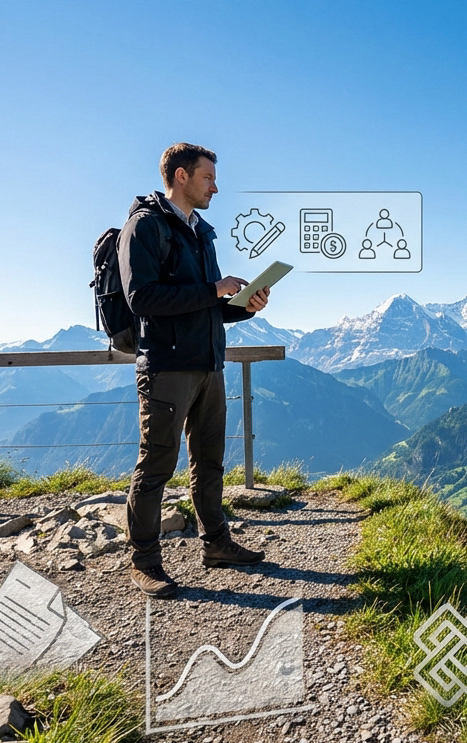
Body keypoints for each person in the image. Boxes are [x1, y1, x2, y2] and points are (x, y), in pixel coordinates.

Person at [117, 142, 272, 598]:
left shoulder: (201, 231)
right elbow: (141, 299)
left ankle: (217, 544)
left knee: (210, 462)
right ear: (181, 176)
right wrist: (212, 289)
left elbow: (208, 308)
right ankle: (143, 562)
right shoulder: (144, 227)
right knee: (157, 464)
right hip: (166, 367)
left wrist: (245, 307)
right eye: (208, 178)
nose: (216, 187)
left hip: (208, 364)